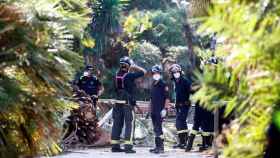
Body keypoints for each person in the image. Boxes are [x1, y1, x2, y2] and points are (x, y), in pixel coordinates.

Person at [111, 56, 146, 154]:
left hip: (117, 103)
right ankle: (128, 147)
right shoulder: (129, 75)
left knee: (117, 124)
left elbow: (114, 89)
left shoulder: (116, 75)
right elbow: (144, 71)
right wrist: (135, 67)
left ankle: (115, 146)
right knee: (129, 124)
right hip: (127, 104)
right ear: (128, 65)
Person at [169, 64, 192, 149]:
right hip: (179, 106)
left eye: (177, 71)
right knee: (180, 123)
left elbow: (192, 91)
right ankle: (182, 142)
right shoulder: (175, 81)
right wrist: (175, 105)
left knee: (180, 122)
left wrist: (189, 101)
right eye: (174, 72)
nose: (176, 73)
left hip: (185, 106)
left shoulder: (185, 81)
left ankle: (184, 142)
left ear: (180, 72)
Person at [149, 65, 170, 154]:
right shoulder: (153, 84)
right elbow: (151, 99)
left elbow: (167, 98)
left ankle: (161, 147)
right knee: (155, 129)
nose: (155, 74)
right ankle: (157, 146)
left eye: (157, 73)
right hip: (153, 110)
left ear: (160, 74)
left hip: (160, 110)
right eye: (154, 73)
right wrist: (149, 110)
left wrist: (165, 109)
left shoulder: (163, 84)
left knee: (158, 128)